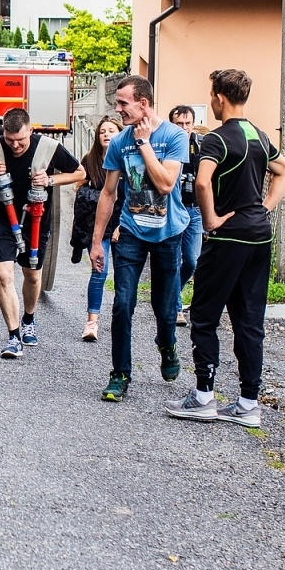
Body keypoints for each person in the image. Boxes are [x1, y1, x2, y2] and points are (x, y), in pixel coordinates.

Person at [164, 70, 285, 428]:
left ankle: (204, 396)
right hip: (260, 235)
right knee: (249, 321)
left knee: (204, 315)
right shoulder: (259, 135)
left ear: (220, 97)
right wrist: (266, 206)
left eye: (211, 95)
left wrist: (210, 221)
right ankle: (248, 402)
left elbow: (203, 181)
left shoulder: (216, 140)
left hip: (228, 237)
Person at [90, 76, 190, 401]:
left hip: (168, 234)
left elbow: (165, 185)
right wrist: (96, 242)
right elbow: (108, 193)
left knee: (164, 308)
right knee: (122, 304)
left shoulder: (174, 136)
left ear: (143, 103)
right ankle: (120, 374)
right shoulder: (119, 142)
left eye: (122, 103)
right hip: (131, 231)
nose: (117, 109)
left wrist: (145, 145)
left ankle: (167, 343)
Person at [0, 108, 83, 358]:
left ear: (31, 131)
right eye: (10, 139)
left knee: (32, 276)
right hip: (2, 221)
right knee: (5, 276)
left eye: (21, 140)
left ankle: (29, 319)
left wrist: (50, 181)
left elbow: (80, 172)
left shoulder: (48, 147)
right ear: (3, 131)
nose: (15, 145)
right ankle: (13, 336)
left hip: (36, 221)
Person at [71, 116, 122, 343]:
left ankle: (122, 319)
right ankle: (92, 322)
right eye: (102, 131)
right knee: (99, 272)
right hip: (99, 224)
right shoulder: (90, 159)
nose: (106, 134)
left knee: (124, 276)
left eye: (111, 130)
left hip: (123, 223)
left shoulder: (127, 157)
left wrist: (123, 224)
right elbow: (78, 185)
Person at [168, 105, 203, 325]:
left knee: (191, 260)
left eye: (187, 123)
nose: (183, 128)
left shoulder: (201, 145)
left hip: (195, 209)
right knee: (173, 259)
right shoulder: (166, 144)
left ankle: (171, 294)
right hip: (172, 208)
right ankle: (176, 307)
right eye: (178, 123)